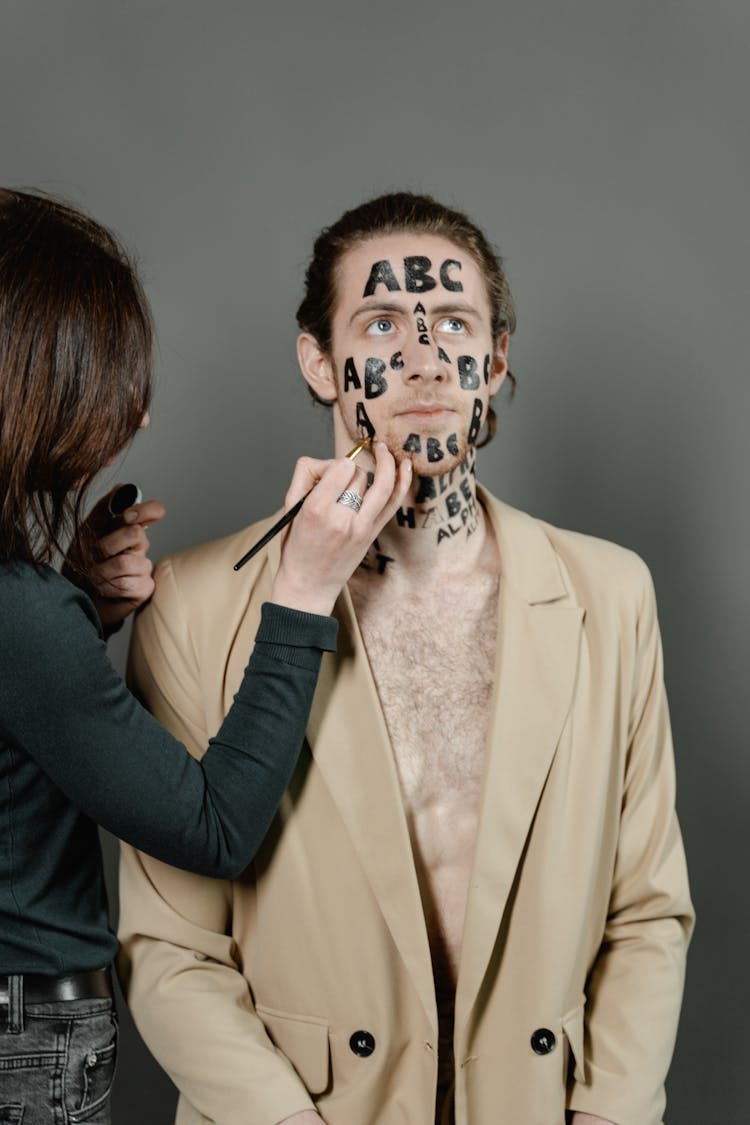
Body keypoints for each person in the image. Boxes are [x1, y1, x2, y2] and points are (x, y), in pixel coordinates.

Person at [118, 192, 694, 1125]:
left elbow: (647, 910)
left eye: (455, 323)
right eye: (383, 321)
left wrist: (610, 1115)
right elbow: (171, 946)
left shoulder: (610, 594)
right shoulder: (192, 606)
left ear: (495, 357)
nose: (424, 355)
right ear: (318, 360)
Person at [0, 188, 410, 1123]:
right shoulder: (20, 617)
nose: (136, 418)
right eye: (110, 375)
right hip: (21, 1041)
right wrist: (303, 593)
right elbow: (216, 829)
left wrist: (75, 605)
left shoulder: (26, 614)